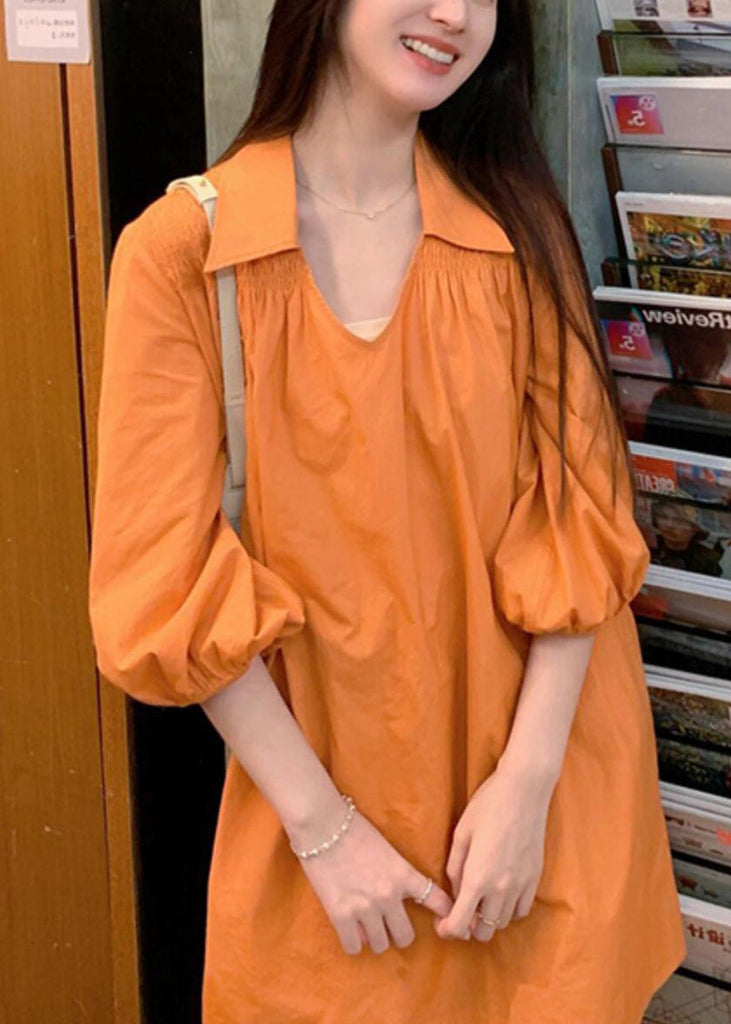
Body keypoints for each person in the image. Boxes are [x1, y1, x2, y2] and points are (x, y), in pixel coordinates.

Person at [87, 1, 687, 1022]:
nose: (453, 14)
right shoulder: (185, 252)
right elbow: (165, 579)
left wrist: (527, 785)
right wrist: (323, 832)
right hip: (327, 817)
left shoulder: (515, 227)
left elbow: (582, 517)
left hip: (543, 788)